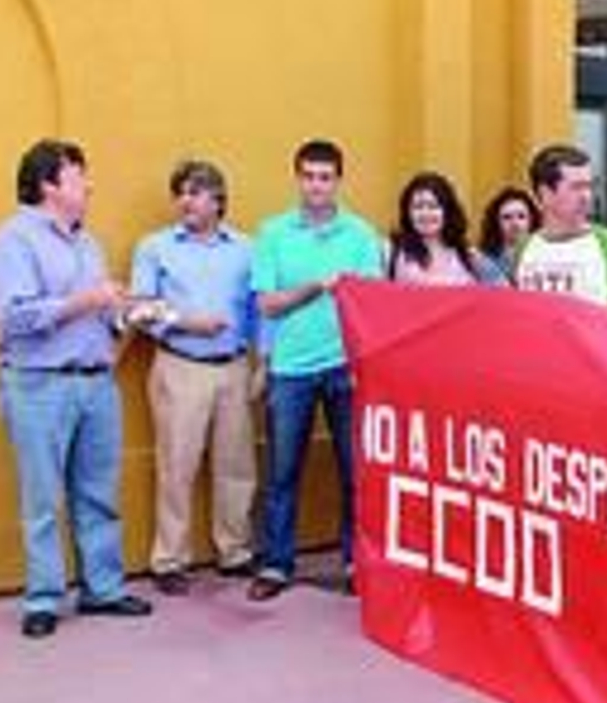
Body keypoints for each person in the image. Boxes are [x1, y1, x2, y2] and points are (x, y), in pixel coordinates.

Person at [0, 139, 154, 637]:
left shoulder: (88, 243)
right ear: (48, 186)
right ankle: (42, 599)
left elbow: (93, 312)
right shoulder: (9, 242)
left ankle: (103, 589)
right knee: (42, 499)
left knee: (98, 493)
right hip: (39, 386)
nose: (90, 185)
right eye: (80, 177)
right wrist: (86, 299)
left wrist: (124, 314)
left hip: (95, 382)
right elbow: (13, 319)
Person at [248, 138, 384, 601]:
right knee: (283, 472)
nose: (316, 186)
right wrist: (315, 288)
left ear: (338, 181)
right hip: (290, 369)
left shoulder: (361, 235)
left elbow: (371, 302)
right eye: (308, 176)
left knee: (353, 471)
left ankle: (354, 561)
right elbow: (267, 304)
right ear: (297, 178)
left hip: (346, 366)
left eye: (325, 177)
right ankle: (276, 564)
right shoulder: (272, 233)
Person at [129, 159, 258, 594]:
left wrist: (262, 362)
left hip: (235, 367)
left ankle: (235, 551)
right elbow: (140, 308)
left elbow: (258, 309)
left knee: (236, 465)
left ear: (218, 200)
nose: (185, 200)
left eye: (195, 192)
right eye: (180, 192)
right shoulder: (155, 247)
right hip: (180, 364)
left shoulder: (247, 248)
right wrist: (186, 322)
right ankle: (169, 559)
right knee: (176, 465)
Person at [511, 144, 607, 313]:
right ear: (545, 193)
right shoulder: (524, 248)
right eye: (576, 187)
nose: (587, 196)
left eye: (590, 186)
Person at [386, 172, 501, 287]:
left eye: (433, 206)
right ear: (407, 213)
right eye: (418, 207)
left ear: (448, 211)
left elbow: (505, 290)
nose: (425, 214)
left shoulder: (468, 256)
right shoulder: (392, 251)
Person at [476, 186, 538, 283]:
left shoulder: (546, 254)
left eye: (521, 216)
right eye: (507, 217)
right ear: (496, 223)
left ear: (532, 220)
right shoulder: (484, 259)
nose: (515, 223)